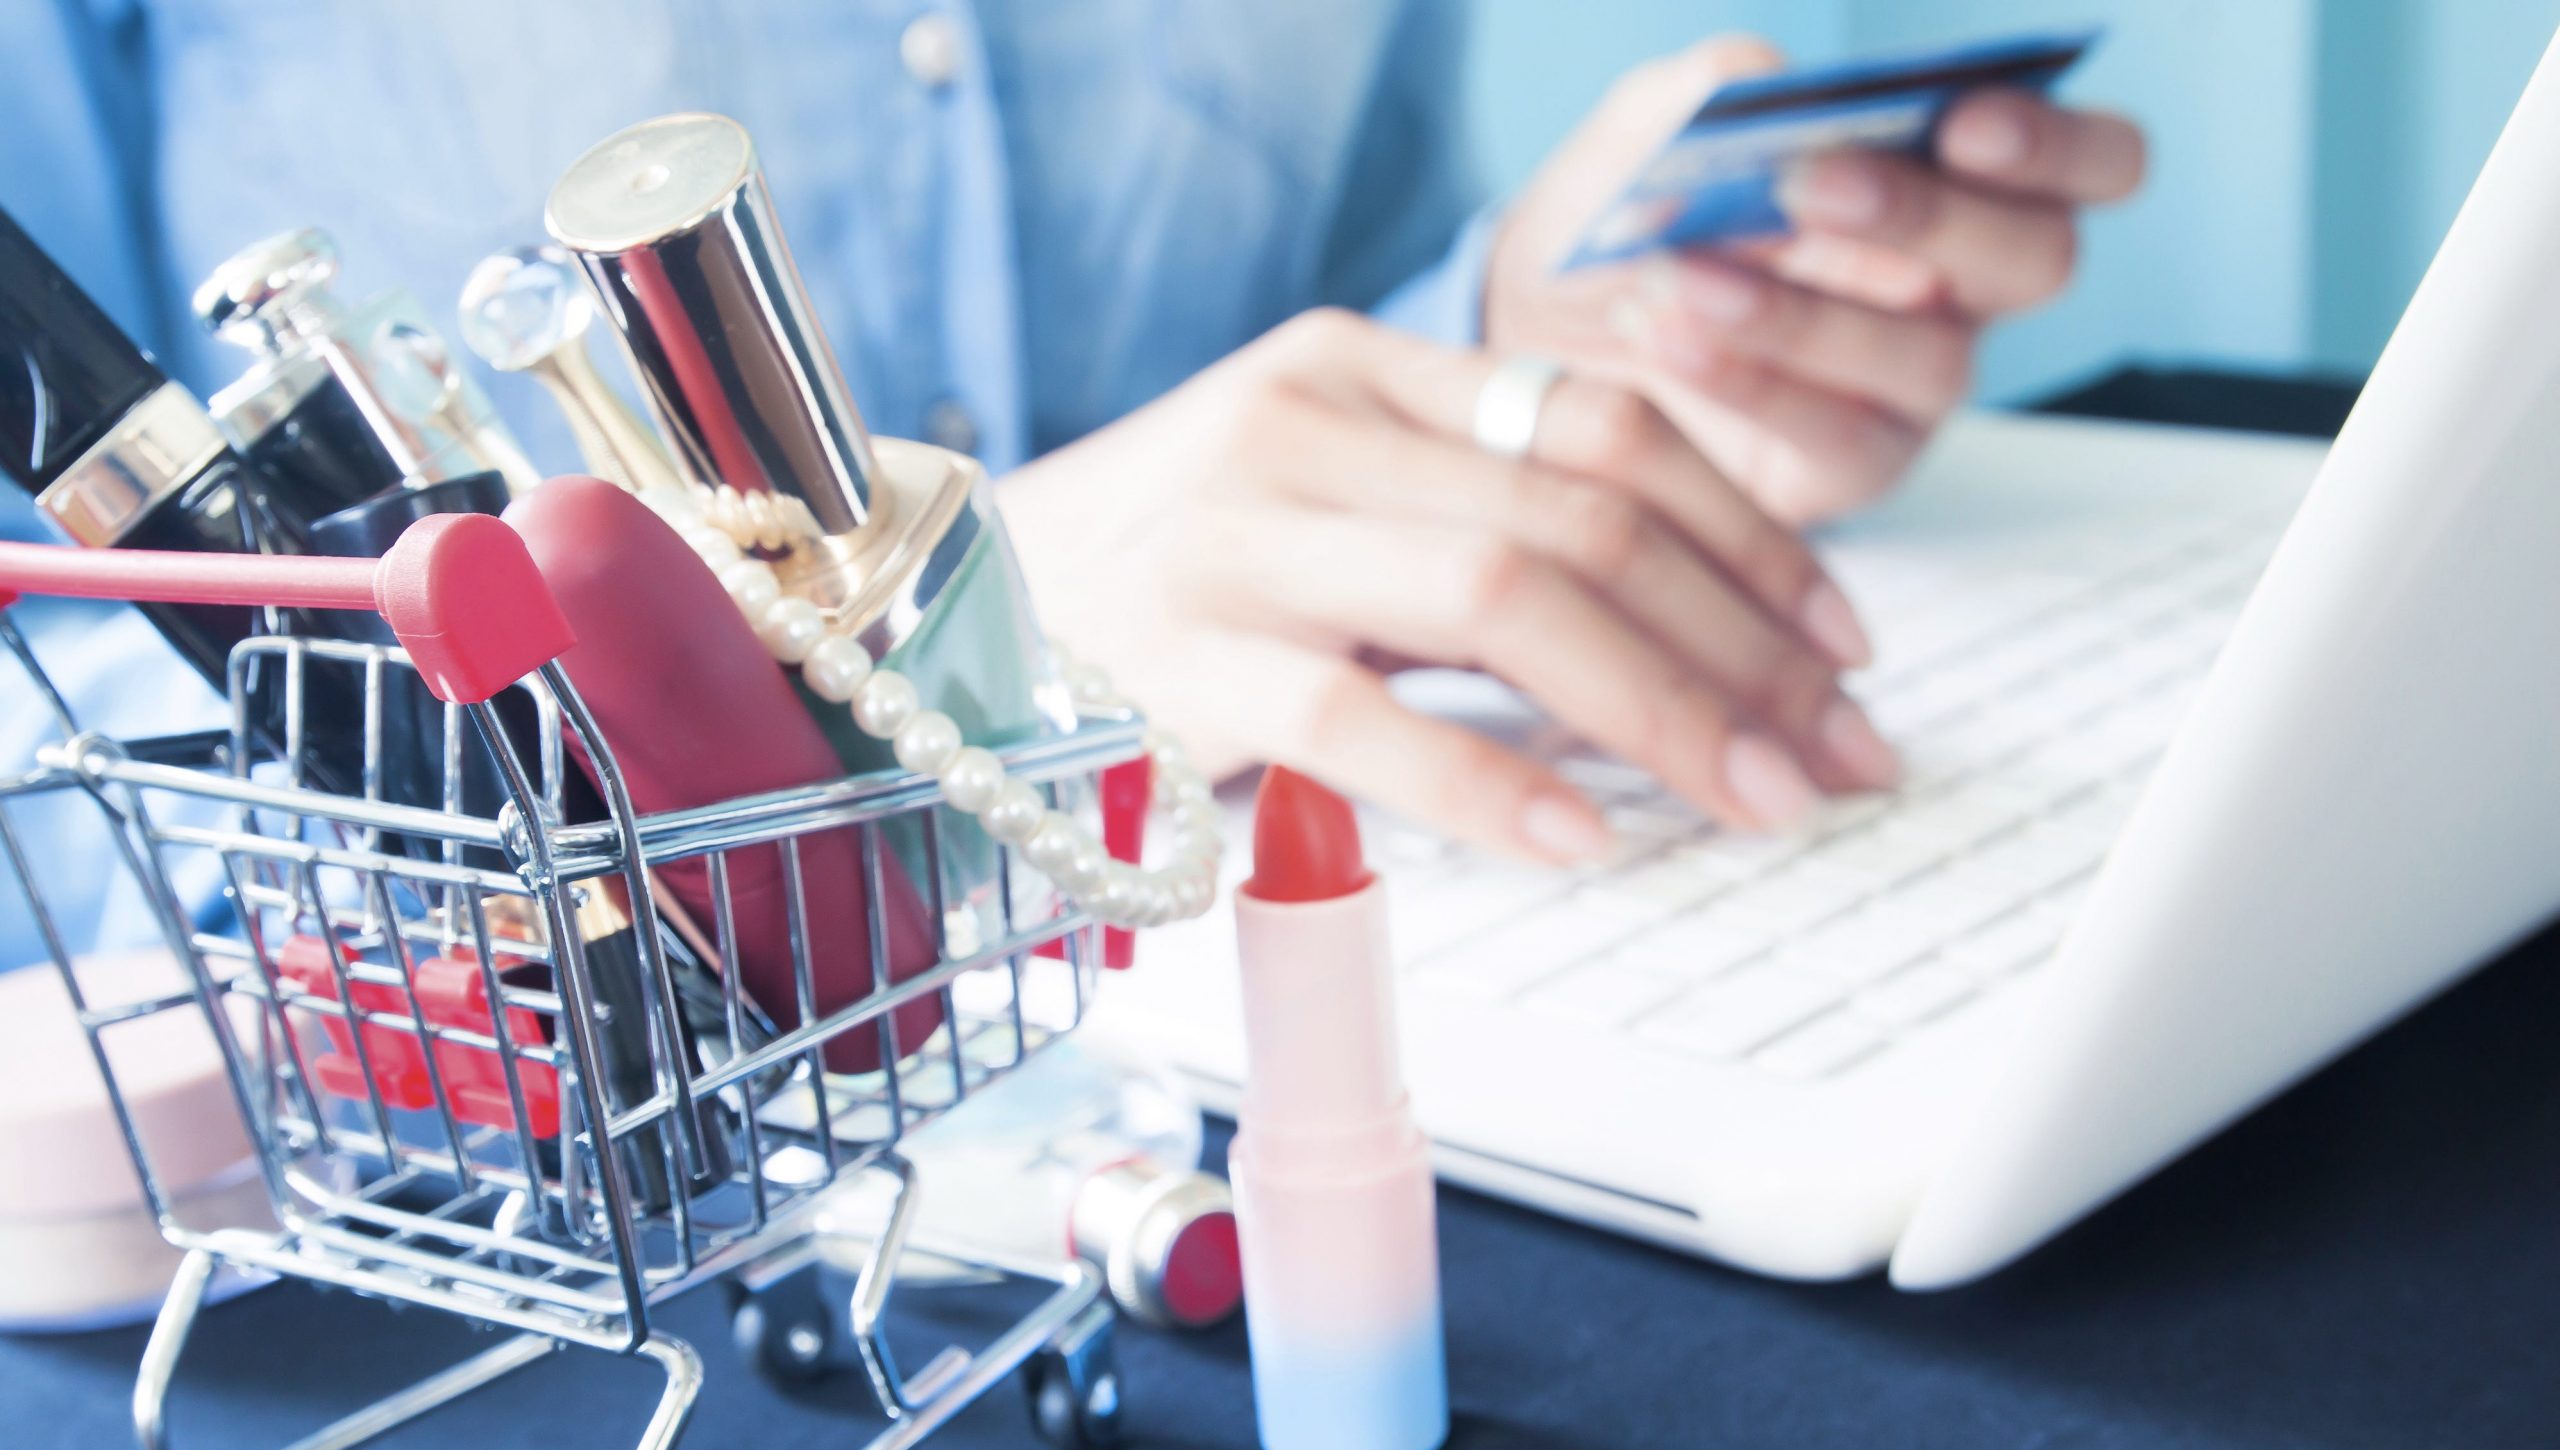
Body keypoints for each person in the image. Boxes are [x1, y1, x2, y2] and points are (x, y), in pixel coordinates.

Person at [0, 2, 2142, 926]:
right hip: (618, 1145)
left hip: (1269, 927)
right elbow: (45, 784)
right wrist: (958, 638)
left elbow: (1273, 347)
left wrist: (1502, 339)